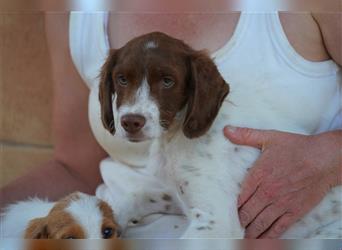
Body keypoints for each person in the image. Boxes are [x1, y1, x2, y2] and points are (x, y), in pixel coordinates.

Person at [1, 9, 341, 239]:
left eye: (166, 82)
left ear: (197, 90)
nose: (134, 110)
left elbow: (217, 231)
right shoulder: (75, 10)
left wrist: (329, 155)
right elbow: (72, 166)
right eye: (123, 81)